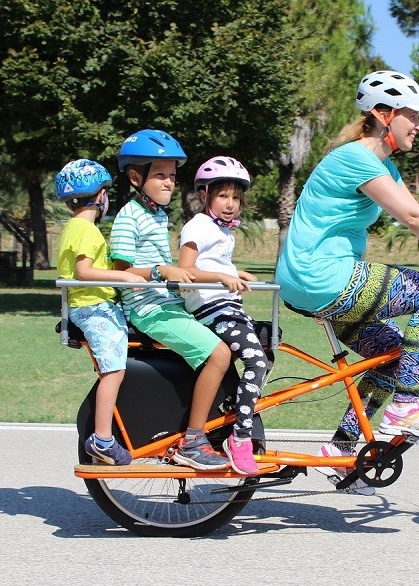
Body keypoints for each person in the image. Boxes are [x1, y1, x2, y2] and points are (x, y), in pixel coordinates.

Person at [275, 70, 419, 492]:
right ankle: (404, 407)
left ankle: (341, 451)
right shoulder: (356, 158)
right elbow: (416, 218)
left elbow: (411, 211)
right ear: (383, 114)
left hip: (315, 278)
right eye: (412, 117)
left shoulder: (382, 167)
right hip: (323, 276)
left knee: (393, 355)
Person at [109, 129, 232, 471]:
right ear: (136, 177)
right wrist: (162, 270)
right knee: (218, 353)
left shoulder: (157, 216)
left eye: (173, 176)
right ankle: (193, 440)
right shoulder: (128, 216)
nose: (168, 183)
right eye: (160, 175)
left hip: (168, 304)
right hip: (148, 309)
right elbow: (123, 271)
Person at [178, 156, 267, 476]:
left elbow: (215, 263)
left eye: (236, 198)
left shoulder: (222, 231)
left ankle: (233, 410)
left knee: (266, 354)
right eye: (223, 196)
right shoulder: (197, 225)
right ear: (205, 196)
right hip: (210, 307)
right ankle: (239, 438)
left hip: (226, 305)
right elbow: (186, 269)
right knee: (256, 360)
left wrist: (236, 273)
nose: (230, 204)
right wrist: (221, 278)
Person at [55, 159, 147, 466]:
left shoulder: (73, 227)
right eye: (106, 191)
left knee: (114, 368)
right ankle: (103, 439)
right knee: (113, 371)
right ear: (99, 195)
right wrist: (125, 277)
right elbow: (84, 271)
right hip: (93, 307)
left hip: (90, 305)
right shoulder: (87, 229)